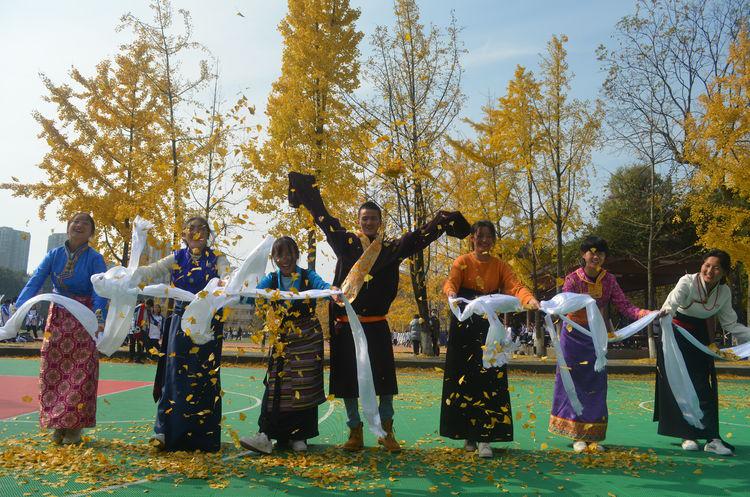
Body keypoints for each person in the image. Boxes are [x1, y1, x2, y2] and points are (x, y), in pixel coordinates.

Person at [288, 172, 470, 452]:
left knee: (384, 382)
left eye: (373, 218)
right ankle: (355, 431)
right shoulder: (346, 243)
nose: (369, 222)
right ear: (359, 221)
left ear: (379, 222)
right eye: (365, 219)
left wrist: (444, 221)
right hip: (346, 326)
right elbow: (325, 219)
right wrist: (305, 191)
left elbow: (418, 238)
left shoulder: (391, 249)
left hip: (376, 326)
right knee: (348, 382)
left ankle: (387, 431)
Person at [442, 220, 540, 459]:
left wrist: (528, 299)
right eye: (480, 236)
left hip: (490, 327)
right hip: (465, 325)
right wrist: (451, 293)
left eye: (489, 236)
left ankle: (485, 437)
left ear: (494, 240)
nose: (484, 240)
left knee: (489, 378)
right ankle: (468, 433)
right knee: (464, 378)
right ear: (472, 239)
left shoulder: (500, 266)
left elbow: (515, 286)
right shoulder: (462, 262)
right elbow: (451, 282)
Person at [134, 216, 230, 452]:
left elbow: (228, 276)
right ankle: (164, 432)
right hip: (180, 321)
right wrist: (127, 275)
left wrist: (226, 282)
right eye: (191, 228)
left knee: (206, 376)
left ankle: (204, 437)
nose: (196, 232)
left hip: (208, 324)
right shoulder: (176, 257)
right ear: (185, 234)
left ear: (208, 235)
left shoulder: (218, 258)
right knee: (173, 375)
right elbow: (151, 271)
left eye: (201, 229)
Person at [548, 236, 650, 452]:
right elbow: (563, 305)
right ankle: (576, 434)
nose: (596, 257)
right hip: (572, 338)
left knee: (596, 385)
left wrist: (648, 314)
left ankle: (592, 434)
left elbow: (625, 307)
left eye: (601, 253)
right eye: (592, 252)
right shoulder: (572, 279)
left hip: (596, 338)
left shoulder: (609, 280)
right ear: (583, 255)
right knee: (573, 383)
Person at [15, 212, 107, 445]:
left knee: (82, 370)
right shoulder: (54, 255)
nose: (79, 225)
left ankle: (74, 426)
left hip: (84, 317)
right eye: (75, 221)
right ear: (68, 227)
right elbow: (36, 280)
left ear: (92, 233)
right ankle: (57, 422)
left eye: (85, 223)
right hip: (57, 316)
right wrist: (20, 306)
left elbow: (100, 290)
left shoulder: (95, 258)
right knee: (53, 367)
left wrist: (98, 317)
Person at [240, 236, 337, 454]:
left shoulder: (308, 276)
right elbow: (254, 295)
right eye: (279, 255)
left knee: (305, 384)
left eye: (289, 254)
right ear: (273, 258)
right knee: (276, 384)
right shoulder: (271, 279)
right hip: (282, 337)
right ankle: (265, 435)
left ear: (296, 255)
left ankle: (300, 436)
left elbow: (323, 288)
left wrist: (334, 292)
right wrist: (234, 289)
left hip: (307, 338)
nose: (285, 259)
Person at [655, 249, 750, 456]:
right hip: (676, 334)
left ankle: (712, 439)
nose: (710, 271)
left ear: (724, 272)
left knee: (703, 386)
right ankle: (687, 435)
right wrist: (666, 314)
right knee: (680, 384)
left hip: (699, 337)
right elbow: (670, 305)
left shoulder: (724, 292)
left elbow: (730, 324)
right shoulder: (687, 282)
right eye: (707, 265)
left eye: (716, 268)